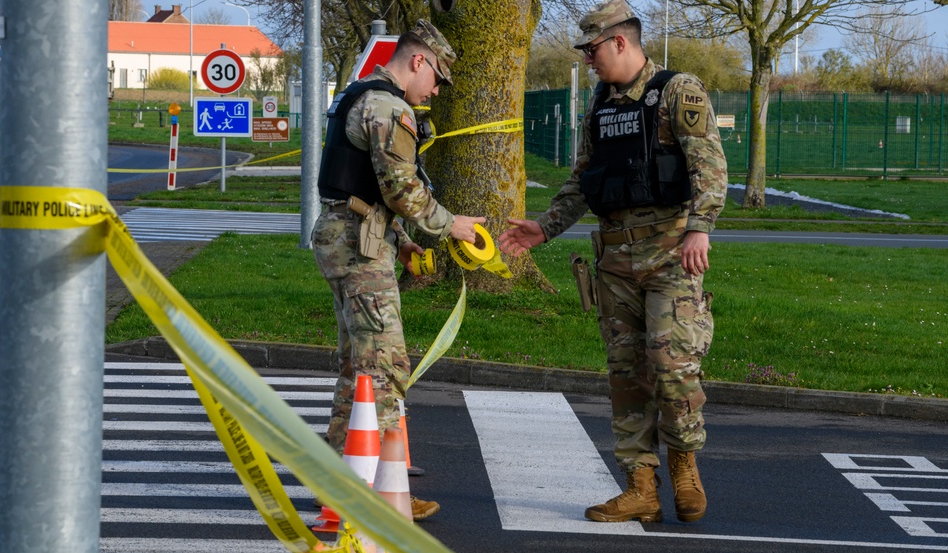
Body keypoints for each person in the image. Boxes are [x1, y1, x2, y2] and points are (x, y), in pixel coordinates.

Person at [498, 0, 727, 524]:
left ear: (621, 42)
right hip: (615, 259)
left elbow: (710, 167)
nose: (587, 60)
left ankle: (684, 460)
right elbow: (583, 178)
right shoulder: (600, 104)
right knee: (626, 375)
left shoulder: (677, 90)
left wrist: (700, 228)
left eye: (592, 50)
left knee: (671, 367)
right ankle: (640, 486)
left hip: (671, 254)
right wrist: (546, 226)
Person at [311, 19, 485, 521]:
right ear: (418, 60)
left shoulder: (359, 95)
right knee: (385, 370)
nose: (435, 89)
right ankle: (380, 496)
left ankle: (341, 486)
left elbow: (366, 190)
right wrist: (452, 227)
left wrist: (404, 242)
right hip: (357, 248)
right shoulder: (389, 106)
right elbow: (401, 190)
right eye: (436, 78)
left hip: (352, 236)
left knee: (358, 371)